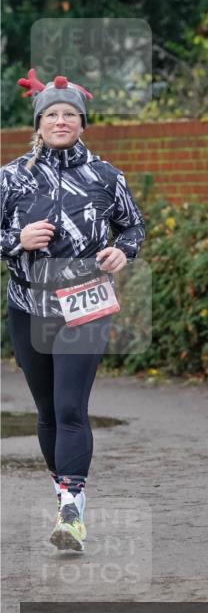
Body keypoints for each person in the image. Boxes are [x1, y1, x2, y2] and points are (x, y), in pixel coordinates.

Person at [1, 69, 145, 551]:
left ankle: (71, 511)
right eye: (51, 114)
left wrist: (122, 252)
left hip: (85, 301)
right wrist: (16, 241)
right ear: (37, 123)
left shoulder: (106, 176)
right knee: (46, 410)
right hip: (29, 304)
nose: (61, 120)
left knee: (69, 406)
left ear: (83, 123)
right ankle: (63, 491)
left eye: (70, 114)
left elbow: (133, 229)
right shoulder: (11, 177)